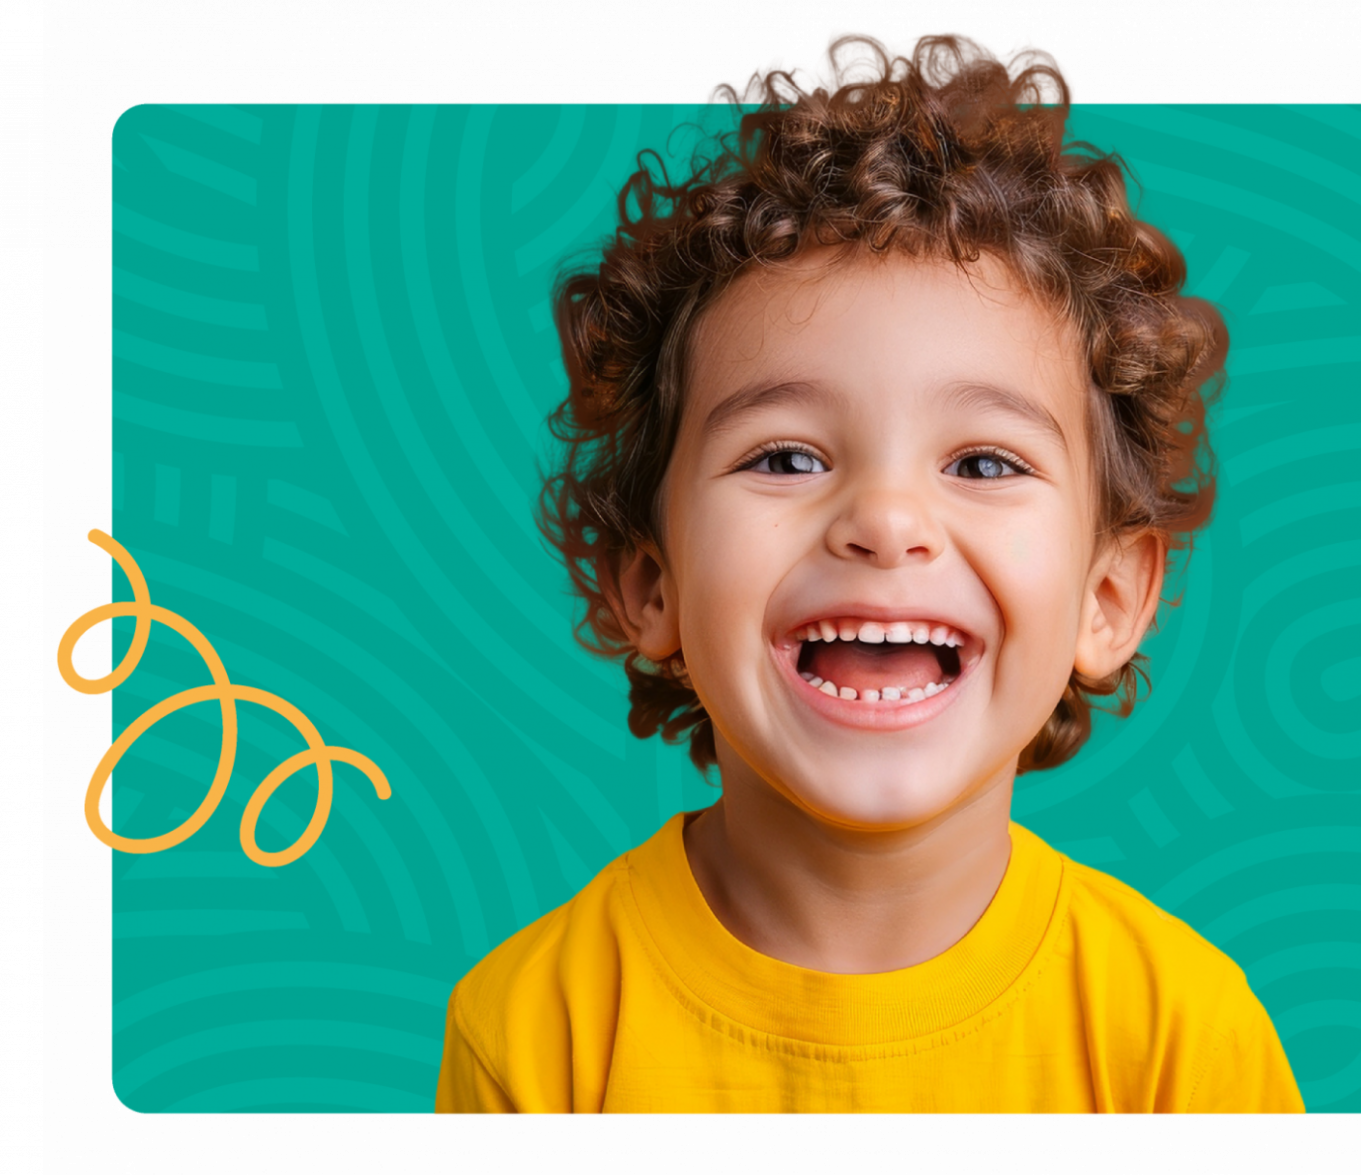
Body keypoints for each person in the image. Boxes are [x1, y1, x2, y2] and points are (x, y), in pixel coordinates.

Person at [433, 29, 1301, 1114]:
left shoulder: (1179, 1038)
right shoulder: (537, 1031)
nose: (886, 521)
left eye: (983, 462)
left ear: (1107, 597)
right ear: (652, 584)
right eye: (786, 457)